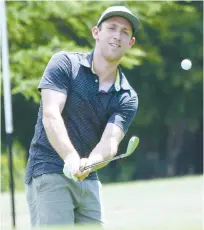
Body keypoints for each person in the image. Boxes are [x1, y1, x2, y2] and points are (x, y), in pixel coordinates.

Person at [25, 5, 140, 228]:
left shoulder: (127, 95)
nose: (117, 35)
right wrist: (70, 157)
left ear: (130, 43)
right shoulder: (65, 64)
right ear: (96, 32)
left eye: (125, 32)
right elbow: (51, 115)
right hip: (48, 170)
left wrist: (90, 163)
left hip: (87, 179)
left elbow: (110, 142)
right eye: (112, 28)